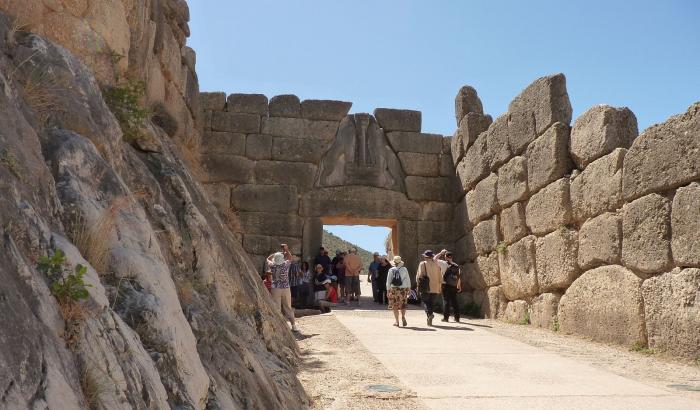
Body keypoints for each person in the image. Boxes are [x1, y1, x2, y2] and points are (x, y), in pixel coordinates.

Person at [266, 245, 298, 332]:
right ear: (282, 259)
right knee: (288, 307)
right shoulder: (285, 265)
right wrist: (286, 250)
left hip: (276, 288)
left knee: (277, 308)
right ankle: (294, 325)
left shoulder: (273, 265)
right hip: (286, 288)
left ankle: (279, 328)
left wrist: (274, 254)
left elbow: (268, 259)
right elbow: (290, 258)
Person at [416, 250, 443, 326]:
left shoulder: (422, 264)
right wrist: (440, 287)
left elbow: (419, 275)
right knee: (432, 303)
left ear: (425, 256)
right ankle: (429, 316)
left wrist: (418, 285)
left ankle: (430, 314)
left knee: (425, 302)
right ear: (431, 256)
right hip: (435, 287)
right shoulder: (436, 264)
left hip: (425, 287)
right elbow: (440, 277)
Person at [434, 249, 462, 322]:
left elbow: (434, 259)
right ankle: (457, 318)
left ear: (445, 257)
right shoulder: (456, 265)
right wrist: (459, 286)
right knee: (454, 301)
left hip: (445, 285)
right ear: (452, 257)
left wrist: (441, 253)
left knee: (446, 301)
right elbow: (458, 277)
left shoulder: (443, 263)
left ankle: (446, 318)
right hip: (454, 286)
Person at [386, 255, 411, 327]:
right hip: (403, 289)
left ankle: (397, 321)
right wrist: (409, 288)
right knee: (403, 304)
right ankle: (403, 316)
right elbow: (408, 279)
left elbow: (388, 281)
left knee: (395, 306)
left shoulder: (391, 270)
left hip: (394, 289)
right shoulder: (405, 269)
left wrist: (388, 291)